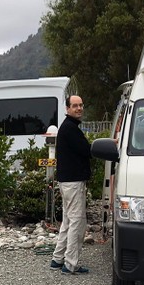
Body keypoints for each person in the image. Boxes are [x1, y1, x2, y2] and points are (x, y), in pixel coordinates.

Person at [50, 94, 92, 275]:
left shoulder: (67, 127)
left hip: (66, 182)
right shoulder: (70, 129)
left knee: (67, 221)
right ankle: (70, 264)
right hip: (73, 182)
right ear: (67, 108)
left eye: (81, 105)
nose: (79, 108)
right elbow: (86, 150)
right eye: (75, 106)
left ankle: (57, 259)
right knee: (77, 222)